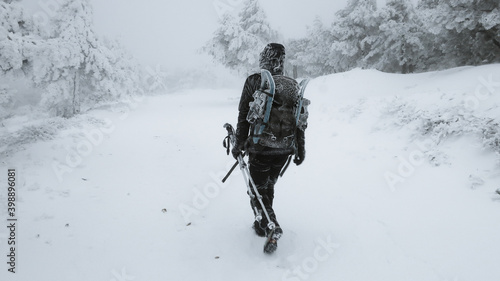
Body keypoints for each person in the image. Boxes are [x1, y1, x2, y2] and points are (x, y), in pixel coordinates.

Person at [231, 43, 307, 250]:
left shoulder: (255, 81)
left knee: (256, 190)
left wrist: (238, 145)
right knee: (267, 186)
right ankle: (261, 224)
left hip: (260, 148)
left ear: (264, 58)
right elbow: (300, 120)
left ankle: (271, 225)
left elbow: (243, 117)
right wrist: (300, 147)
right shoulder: (292, 86)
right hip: (285, 149)